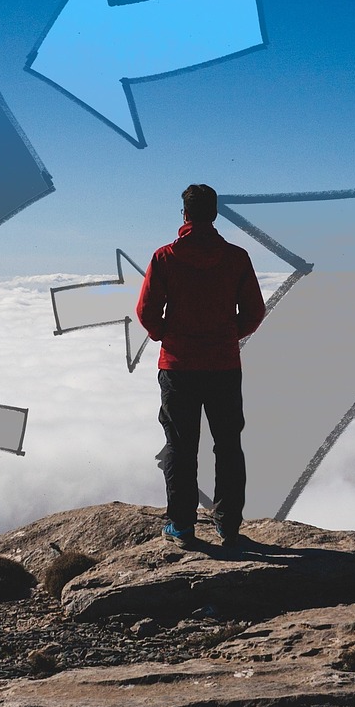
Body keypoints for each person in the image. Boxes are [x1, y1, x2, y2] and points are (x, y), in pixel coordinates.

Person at [135, 183, 268, 550]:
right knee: (228, 445)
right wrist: (227, 336)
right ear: (214, 214)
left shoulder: (165, 258)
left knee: (180, 446)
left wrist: (169, 336)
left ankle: (181, 525)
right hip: (224, 366)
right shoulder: (236, 257)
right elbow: (255, 312)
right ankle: (228, 526)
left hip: (178, 368)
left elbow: (145, 311)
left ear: (185, 215)